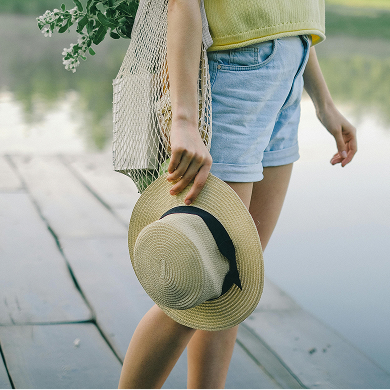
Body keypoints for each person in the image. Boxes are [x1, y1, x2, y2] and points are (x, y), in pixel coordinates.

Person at [118, 0, 358, 388]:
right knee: (197, 276)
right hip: (234, 72)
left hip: (289, 75)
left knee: (233, 282)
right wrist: (184, 118)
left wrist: (324, 102)